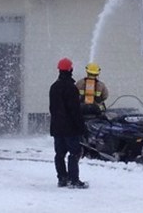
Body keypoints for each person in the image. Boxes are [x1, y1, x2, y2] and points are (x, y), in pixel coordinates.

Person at [49, 58, 88, 189]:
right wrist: (81, 127)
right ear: (71, 70)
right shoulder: (71, 88)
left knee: (59, 154)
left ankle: (62, 179)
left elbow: (52, 109)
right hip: (70, 128)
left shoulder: (54, 87)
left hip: (57, 127)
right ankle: (74, 179)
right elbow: (75, 111)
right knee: (74, 153)